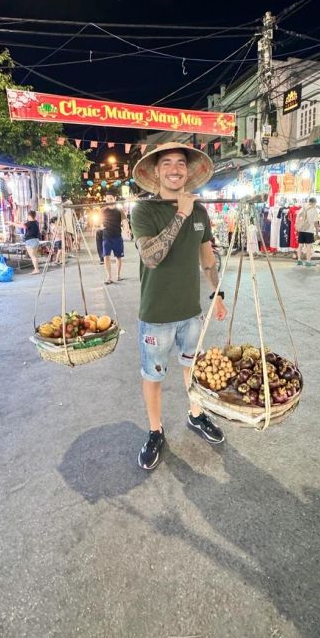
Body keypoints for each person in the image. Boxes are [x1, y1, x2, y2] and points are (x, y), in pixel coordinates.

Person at [131, 143, 227, 471]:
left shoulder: (201, 212)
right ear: (155, 171)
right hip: (156, 314)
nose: (175, 169)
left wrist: (218, 293)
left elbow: (207, 257)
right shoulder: (143, 211)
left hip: (191, 311)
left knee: (192, 368)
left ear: (188, 171)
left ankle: (196, 415)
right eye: (167, 163)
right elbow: (151, 258)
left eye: (181, 163)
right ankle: (155, 431)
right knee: (153, 375)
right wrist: (180, 213)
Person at [102, 192, 128, 284]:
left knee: (118, 257)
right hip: (106, 237)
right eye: (107, 198)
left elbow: (125, 221)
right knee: (106, 256)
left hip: (117, 236)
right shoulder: (103, 210)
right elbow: (97, 221)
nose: (109, 200)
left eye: (111, 198)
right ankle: (109, 277)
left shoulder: (119, 210)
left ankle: (118, 275)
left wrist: (127, 230)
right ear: (105, 199)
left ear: (114, 199)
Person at [295, 197, 320, 267]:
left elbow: (297, 219)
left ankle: (299, 260)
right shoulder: (314, 210)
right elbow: (316, 223)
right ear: (314, 202)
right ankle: (308, 261)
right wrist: (317, 232)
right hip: (309, 231)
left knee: (300, 246)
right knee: (308, 247)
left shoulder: (302, 208)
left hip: (301, 230)